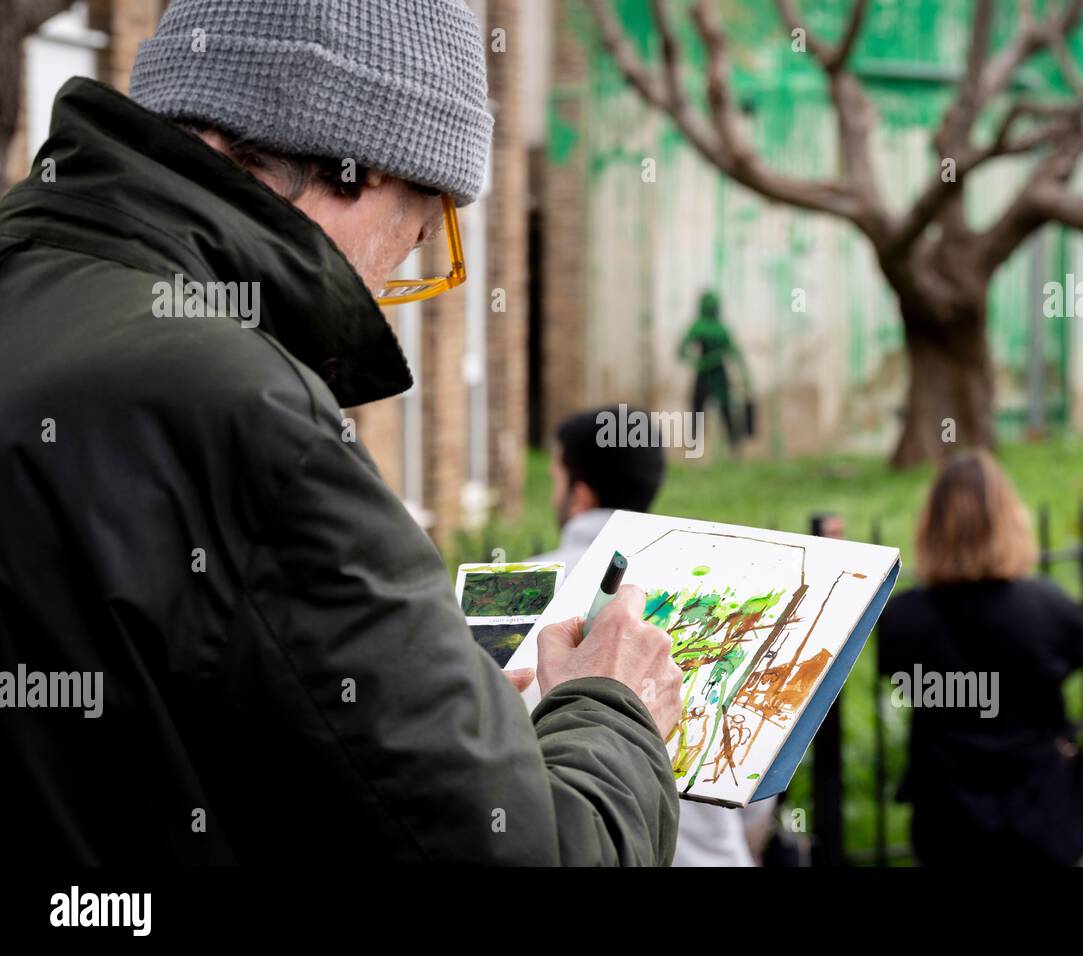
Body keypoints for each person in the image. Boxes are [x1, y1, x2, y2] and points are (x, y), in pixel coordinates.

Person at [0, 0, 683, 865]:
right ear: (353, 171)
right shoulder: (254, 416)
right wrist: (610, 712)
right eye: (418, 234)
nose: (391, 283)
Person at [531, 407, 776, 866]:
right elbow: (754, 779)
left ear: (579, 493)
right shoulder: (712, 600)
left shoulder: (516, 593)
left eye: (554, 480)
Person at [877, 450, 1083, 866]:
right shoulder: (1048, 608)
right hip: (1038, 809)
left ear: (932, 526)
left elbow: (895, 671)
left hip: (947, 813)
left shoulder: (903, 618)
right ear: (1011, 520)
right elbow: (1081, 651)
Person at [678, 290, 749, 451]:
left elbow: (734, 352)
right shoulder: (700, 327)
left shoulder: (720, 328)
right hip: (705, 375)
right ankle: (694, 447)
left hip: (718, 376)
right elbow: (682, 351)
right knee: (698, 411)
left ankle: (733, 446)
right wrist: (698, 363)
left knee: (725, 412)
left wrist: (745, 377)